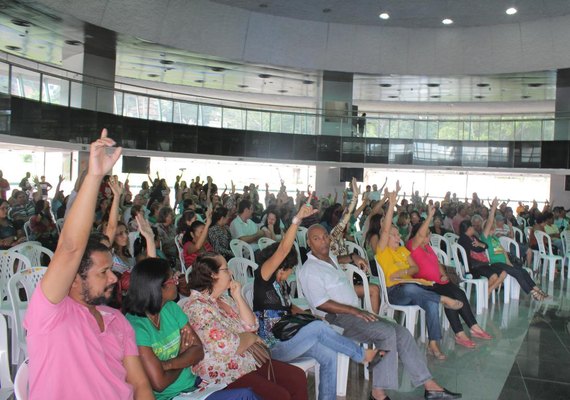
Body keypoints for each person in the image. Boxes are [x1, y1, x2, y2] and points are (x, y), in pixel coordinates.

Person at [23, 129, 154, 399]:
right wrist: (94, 177)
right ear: (73, 278)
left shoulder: (117, 320)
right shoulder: (51, 314)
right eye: (104, 272)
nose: (114, 278)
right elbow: (70, 249)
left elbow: (141, 386)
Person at [299, 221, 461, 400]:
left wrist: (353, 257)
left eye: (325, 237)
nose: (323, 241)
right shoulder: (309, 270)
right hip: (337, 319)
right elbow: (321, 304)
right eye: (317, 238)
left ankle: (430, 386)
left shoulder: (329, 258)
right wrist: (355, 311)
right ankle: (378, 394)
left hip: (354, 314)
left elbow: (339, 259)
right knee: (386, 333)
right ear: (309, 243)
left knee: (402, 332)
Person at [254, 198, 380, 400]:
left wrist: (309, 315)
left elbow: (289, 308)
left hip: (289, 338)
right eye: (288, 269)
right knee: (319, 328)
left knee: (329, 355)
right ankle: (361, 356)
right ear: (277, 265)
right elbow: (284, 250)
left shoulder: (281, 284)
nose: (289, 274)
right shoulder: (263, 278)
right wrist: (297, 220)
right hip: (273, 346)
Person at [124, 258, 260, 400]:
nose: (178, 282)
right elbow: (159, 383)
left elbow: (197, 351)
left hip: (196, 385)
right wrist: (183, 354)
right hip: (171, 396)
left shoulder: (171, 308)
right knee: (245, 396)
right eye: (173, 279)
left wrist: (168, 364)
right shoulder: (136, 327)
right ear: (158, 287)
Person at [182, 253, 309, 400]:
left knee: (297, 377)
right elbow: (227, 346)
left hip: (248, 361)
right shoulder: (196, 307)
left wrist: (238, 296)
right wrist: (251, 338)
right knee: (280, 395)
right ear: (212, 275)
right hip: (224, 373)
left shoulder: (224, 298)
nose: (231, 272)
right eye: (225, 269)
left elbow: (252, 325)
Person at [376, 191, 462, 360]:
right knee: (412, 288)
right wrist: (392, 205)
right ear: (385, 237)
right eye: (394, 235)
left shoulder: (402, 250)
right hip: (395, 292)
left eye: (397, 234)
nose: (397, 236)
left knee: (430, 302)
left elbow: (415, 268)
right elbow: (385, 230)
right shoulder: (382, 251)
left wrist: (403, 272)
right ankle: (442, 298)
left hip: (414, 288)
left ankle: (433, 344)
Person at [408, 205, 492, 349]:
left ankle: (473, 326)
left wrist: (444, 275)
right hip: (426, 285)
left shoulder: (427, 248)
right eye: (427, 234)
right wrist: (429, 217)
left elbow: (437, 263)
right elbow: (420, 235)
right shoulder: (412, 246)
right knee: (452, 299)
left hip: (439, 282)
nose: (429, 236)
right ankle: (459, 333)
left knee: (459, 293)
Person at [480, 199, 547, 301]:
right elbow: (489, 221)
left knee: (523, 271)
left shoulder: (495, 239)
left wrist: (508, 262)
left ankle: (537, 289)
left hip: (504, 262)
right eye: (491, 227)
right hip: (495, 263)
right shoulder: (485, 237)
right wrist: (493, 207)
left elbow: (503, 251)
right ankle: (532, 293)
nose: (493, 228)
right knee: (517, 273)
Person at [458, 219, 507, 295]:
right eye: (472, 227)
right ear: (469, 228)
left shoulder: (473, 237)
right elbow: (477, 249)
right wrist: (481, 246)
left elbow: (485, 245)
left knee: (503, 273)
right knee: (494, 276)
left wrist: (480, 245)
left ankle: (487, 293)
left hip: (482, 264)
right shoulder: (463, 239)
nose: (474, 229)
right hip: (473, 266)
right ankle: (484, 296)